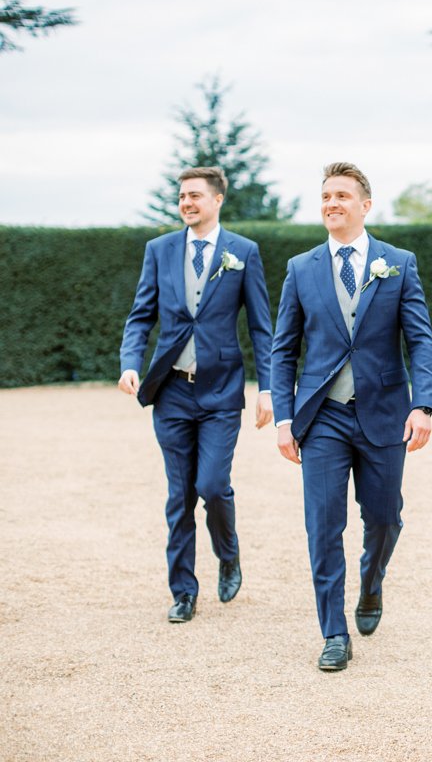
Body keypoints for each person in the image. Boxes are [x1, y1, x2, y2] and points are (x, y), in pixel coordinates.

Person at [271, 162, 432, 671]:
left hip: (385, 413)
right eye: (325, 196)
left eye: (342, 195)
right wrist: (283, 417)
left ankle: (371, 581)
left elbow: (420, 338)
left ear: (365, 205)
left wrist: (423, 403)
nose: (332, 203)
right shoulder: (301, 269)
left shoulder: (398, 263)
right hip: (321, 418)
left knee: (385, 519)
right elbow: (283, 351)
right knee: (322, 525)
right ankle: (334, 633)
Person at [118, 166, 274, 623]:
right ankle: (183, 590)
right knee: (179, 495)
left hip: (221, 392)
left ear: (217, 200)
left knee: (211, 485)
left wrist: (268, 389)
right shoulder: (159, 250)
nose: (187, 203)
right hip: (170, 392)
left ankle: (228, 553)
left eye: (195, 196)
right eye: (182, 196)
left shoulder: (243, 252)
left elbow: (263, 328)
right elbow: (140, 314)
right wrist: (131, 362)